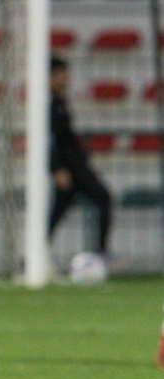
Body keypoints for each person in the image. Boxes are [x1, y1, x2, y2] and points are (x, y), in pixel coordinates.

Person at [47, 56, 111, 260]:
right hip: (68, 167)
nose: (64, 79)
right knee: (103, 197)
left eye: (65, 75)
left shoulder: (60, 101)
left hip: (73, 164)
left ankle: (34, 253)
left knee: (58, 211)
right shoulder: (48, 104)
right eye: (59, 75)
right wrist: (56, 168)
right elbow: (50, 139)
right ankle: (100, 253)